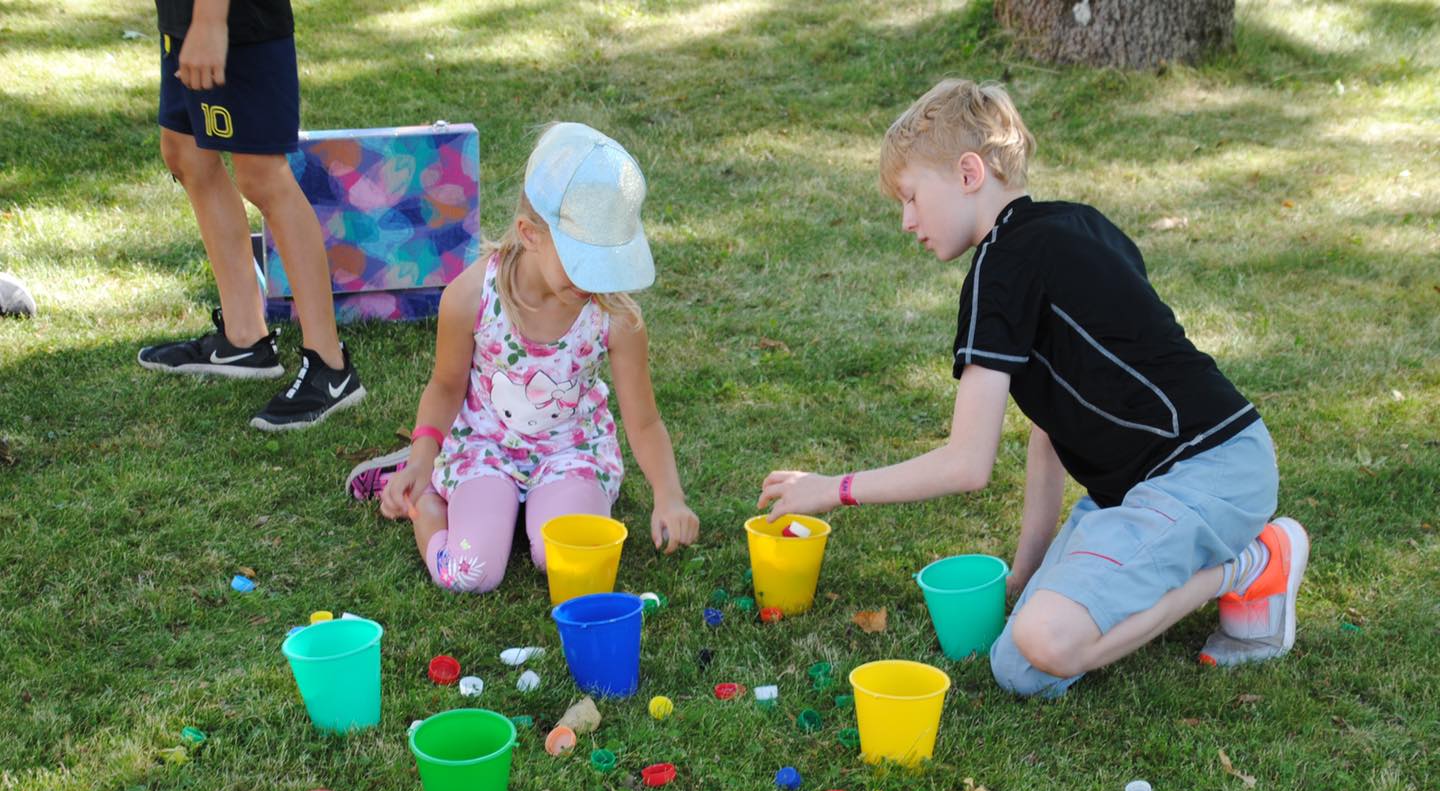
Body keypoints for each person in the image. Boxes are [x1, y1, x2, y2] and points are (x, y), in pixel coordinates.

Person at [757, 79, 1309, 697]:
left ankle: (1251, 562)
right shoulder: (1082, 223)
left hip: (1209, 469)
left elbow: (967, 465)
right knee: (1022, 670)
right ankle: (1179, 560)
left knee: (1049, 641)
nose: (907, 221)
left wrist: (833, 489)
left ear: (969, 172)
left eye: (911, 197)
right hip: (1142, 487)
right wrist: (1026, 573)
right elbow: (1050, 433)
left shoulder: (1001, 267)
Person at [348, 123, 699, 592]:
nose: (594, 281)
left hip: (572, 453)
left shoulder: (614, 317)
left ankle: (526, 510)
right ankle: (431, 499)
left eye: (604, 264)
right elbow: (447, 387)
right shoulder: (470, 296)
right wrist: (421, 458)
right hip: (484, 450)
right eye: (580, 263)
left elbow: (644, 422)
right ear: (530, 234)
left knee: (570, 565)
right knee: (470, 576)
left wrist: (669, 496)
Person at [137, 0, 364, 430]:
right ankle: (243, 338)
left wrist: (209, 20)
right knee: (184, 152)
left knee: (261, 175)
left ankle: (332, 369)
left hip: (238, 20)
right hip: (182, 16)